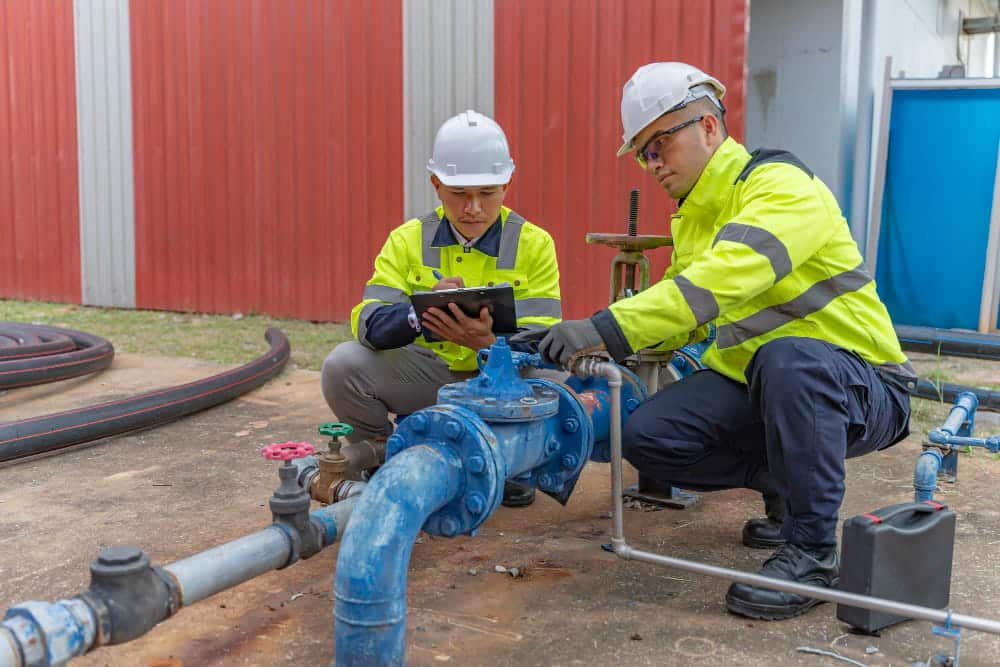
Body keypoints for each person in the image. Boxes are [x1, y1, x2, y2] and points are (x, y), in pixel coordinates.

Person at [518, 62, 914, 618]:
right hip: (763, 384)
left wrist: (603, 327)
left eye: (660, 144)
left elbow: (724, 277)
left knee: (788, 359)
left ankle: (812, 551)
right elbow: (684, 317)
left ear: (707, 125)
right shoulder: (694, 220)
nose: (652, 164)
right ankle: (785, 479)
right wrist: (575, 338)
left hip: (864, 383)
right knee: (648, 435)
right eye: (642, 154)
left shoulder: (780, 185)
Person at [322, 109, 562, 507]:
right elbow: (367, 324)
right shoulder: (407, 239)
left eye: (487, 193)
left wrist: (486, 343)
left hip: (502, 384)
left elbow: (542, 341)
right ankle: (382, 453)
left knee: (559, 378)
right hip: (430, 380)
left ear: (507, 183)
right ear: (436, 184)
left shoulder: (534, 244)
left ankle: (516, 460)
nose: (473, 208)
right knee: (343, 365)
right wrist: (418, 314)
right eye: (459, 194)